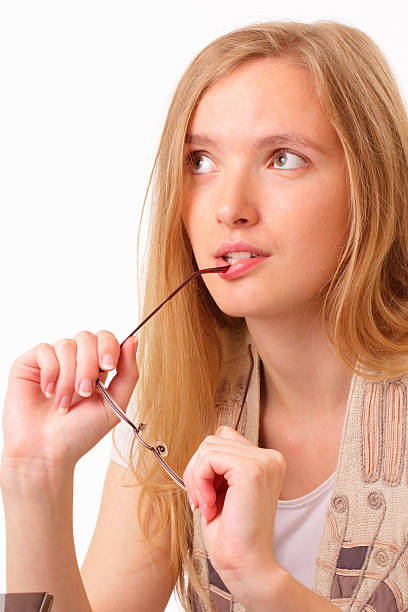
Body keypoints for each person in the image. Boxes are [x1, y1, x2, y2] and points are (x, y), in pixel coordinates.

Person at [2, 19, 408, 612]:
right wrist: (34, 476)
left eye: (284, 158)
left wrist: (262, 583)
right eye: (200, 161)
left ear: (372, 183)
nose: (228, 208)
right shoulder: (174, 398)